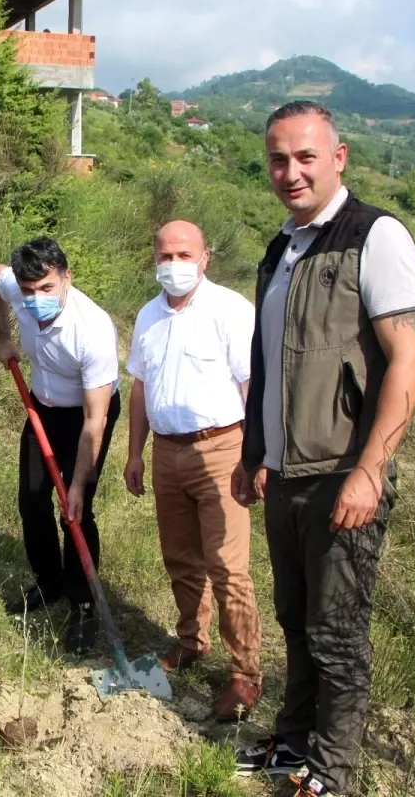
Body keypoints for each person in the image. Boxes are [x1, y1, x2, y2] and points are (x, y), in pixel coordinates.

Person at [231, 101, 415, 797]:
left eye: (306, 157)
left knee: (338, 632)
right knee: (295, 618)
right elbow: (270, 361)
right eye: (279, 159)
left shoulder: (374, 236)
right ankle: (293, 742)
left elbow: (409, 359)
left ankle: (335, 770)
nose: (291, 172)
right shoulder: (281, 247)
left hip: (343, 475)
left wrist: (370, 470)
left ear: (338, 157)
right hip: (285, 475)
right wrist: (255, 450)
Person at [124, 220, 264, 722]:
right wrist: (135, 452)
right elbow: (140, 387)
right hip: (167, 450)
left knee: (229, 567)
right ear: (154, 260)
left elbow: (252, 385)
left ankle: (246, 673)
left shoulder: (229, 310)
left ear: (206, 257)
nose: (174, 265)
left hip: (222, 447)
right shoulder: (147, 316)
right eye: (165, 256)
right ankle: (191, 641)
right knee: (180, 557)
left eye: (184, 255)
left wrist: (256, 457)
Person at [0, 237, 120, 654]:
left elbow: (95, 421)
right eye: (28, 292)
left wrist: (77, 484)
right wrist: (2, 335)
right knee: (31, 499)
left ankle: (83, 603)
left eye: (47, 288)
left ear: (66, 278)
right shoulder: (17, 290)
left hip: (86, 416)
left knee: (75, 512)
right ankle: (49, 583)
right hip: (42, 409)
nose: (37, 298)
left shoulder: (92, 329)